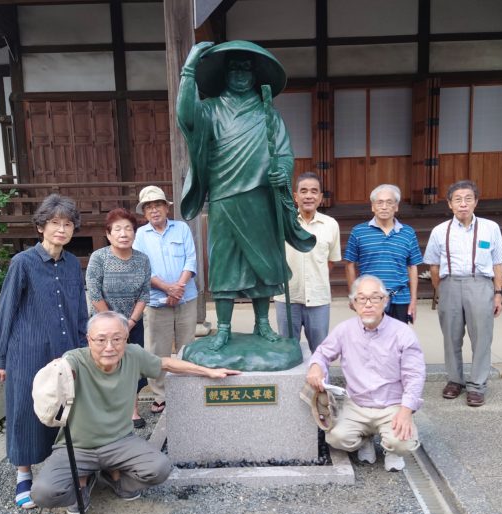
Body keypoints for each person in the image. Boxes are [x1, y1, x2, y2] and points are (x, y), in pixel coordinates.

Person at [177, 40, 315, 351]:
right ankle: (224, 328)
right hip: (224, 198)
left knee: (263, 264)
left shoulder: (268, 113)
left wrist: (282, 171)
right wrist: (189, 69)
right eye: (234, 69)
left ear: (254, 75)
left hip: (260, 199)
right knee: (224, 265)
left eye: (246, 69)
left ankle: (263, 323)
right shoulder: (211, 109)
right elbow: (186, 117)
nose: (240, 75)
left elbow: (284, 153)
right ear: (225, 74)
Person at [30, 311, 239, 514]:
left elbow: (166, 363)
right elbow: (59, 372)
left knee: (160, 468)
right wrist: (58, 374)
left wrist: (209, 372)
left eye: (117, 339)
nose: (109, 347)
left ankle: (115, 479)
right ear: (89, 340)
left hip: (119, 442)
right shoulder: (74, 359)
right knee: (43, 493)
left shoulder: (133, 355)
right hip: (77, 447)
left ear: (126, 338)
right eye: (101, 340)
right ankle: (82, 483)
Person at [0, 194, 88, 509]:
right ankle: (23, 474)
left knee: (65, 407)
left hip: (64, 350)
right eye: (55, 223)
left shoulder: (72, 264)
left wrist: (83, 348)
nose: (61, 229)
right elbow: (6, 311)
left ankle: (62, 467)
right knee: (25, 409)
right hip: (27, 351)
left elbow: (79, 310)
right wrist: (1, 358)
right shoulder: (23, 263)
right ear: (41, 227)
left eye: (68, 224)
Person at [306, 275, 424, 472]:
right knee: (336, 438)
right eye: (362, 298)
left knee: (402, 443)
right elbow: (323, 353)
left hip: (391, 405)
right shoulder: (344, 330)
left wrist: (405, 412)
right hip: (357, 404)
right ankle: (365, 439)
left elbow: (415, 376)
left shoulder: (403, 333)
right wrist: (316, 366)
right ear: (354, 303)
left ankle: (391, 450)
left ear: (385, 301)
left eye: (375, 298)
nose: (368, 304)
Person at [422, 180, 502, 407]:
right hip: (449, 284)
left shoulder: (490, 228)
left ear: (476, 202)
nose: (463, 204)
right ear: (449, 204)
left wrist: (497, 294)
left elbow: (498, 264)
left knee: (482, 337)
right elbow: (433, 266)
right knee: (451, 336)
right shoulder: (440, 231)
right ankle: (454, 380)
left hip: (480, 284)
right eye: (458, 200)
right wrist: (440, 291)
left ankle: (477, 385)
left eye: (468, 199)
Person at [132, 186, 198, 415]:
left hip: (186, 297)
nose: (154, 210)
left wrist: (178, 288)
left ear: (166, 208)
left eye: (158, 205)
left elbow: (191, 260)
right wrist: (168, 289)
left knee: (187, 346)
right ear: (144, 212)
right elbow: (142, 268)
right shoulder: (140, 235)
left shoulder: (182, 228)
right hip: (156, 301)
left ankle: (187, 390)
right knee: (157, 350)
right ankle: (161, 395)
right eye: (148, 207)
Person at [85, 207, 151, 428]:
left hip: (133, 324)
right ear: (108, 234)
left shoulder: (142, 260)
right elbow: (94, 292)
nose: (124, 234)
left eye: (128, 229)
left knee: (132, 365)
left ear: (134, 233)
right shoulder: (99, 257)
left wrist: (130, 323)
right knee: (105, 365)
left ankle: (132, 410)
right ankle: (105, 412)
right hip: (103, 325)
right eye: (118, 229)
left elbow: (144, 294)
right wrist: (115, 324)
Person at [274, 172, 341, 352]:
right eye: (303, 191)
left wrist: (315, 278)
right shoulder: (283, 222)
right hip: (287, 298)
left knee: (321, 352)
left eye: (314, 191)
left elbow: (331, 261)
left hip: (318, 300)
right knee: (288, 352)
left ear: (320, 197)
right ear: (295, 197)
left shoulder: (331, 225)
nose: (309, 196)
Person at [344, 184, 422, 324]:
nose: (384, 207)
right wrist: (353, 295)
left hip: (400, 298)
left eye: (389, 202)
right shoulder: (358, 232)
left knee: (398, 336)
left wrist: (413, 300)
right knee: (369, 336)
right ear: (373, 206)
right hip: (369, 298)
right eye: (379, 202)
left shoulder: (408, 233)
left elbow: (413, 267)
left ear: (396, 206)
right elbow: (350, 264)